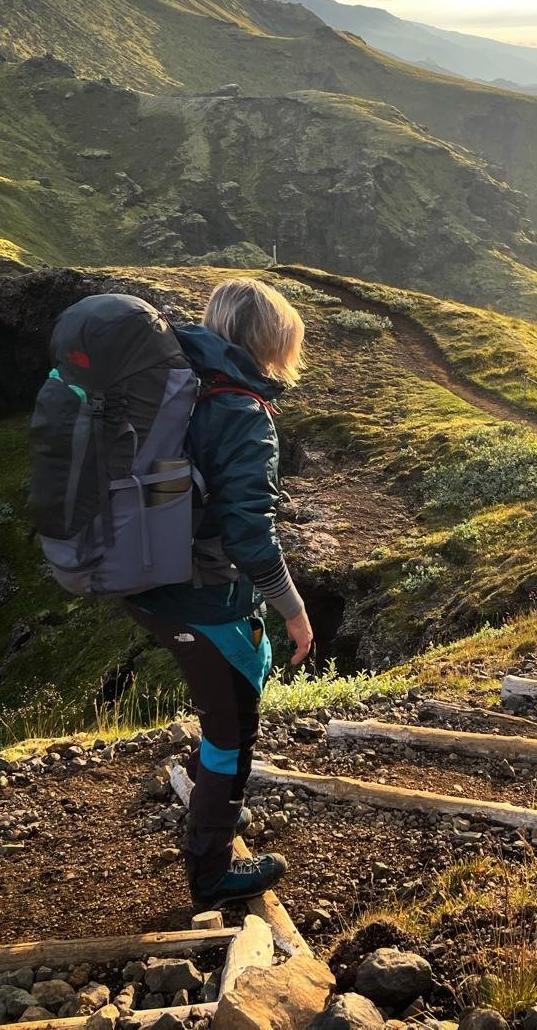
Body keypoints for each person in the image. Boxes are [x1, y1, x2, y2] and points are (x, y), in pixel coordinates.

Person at [128, 277, 314, 911]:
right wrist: (295, 612)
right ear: (271, 343)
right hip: (200, 598)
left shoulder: (177, 387)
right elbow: (251, 538)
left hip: (147, 581)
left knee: (229, 714)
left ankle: (216, 827)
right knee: (231, 730)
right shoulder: (241, 412)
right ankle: (211, 875)